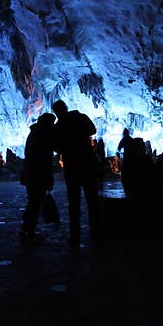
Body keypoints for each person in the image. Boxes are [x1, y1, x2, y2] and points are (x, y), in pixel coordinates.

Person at [52, 99, 102, 242]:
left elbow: (56, 148)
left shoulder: (58, 126)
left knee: (74, 201)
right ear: (66, 108)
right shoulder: (79, 117)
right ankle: (96, 231)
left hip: (72, 166)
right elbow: (93, 129)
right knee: (92, 199)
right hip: (87, 163)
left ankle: (75, 233)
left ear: (56, 112)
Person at [20, 113, 57, 240]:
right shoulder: (42, 136)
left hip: (31, 174)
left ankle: (26, 228)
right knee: (35, 203)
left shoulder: (34, 133)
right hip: (38, 174)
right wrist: (49, 179)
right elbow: (45, 160)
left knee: (33, 202)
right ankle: (29, 230)